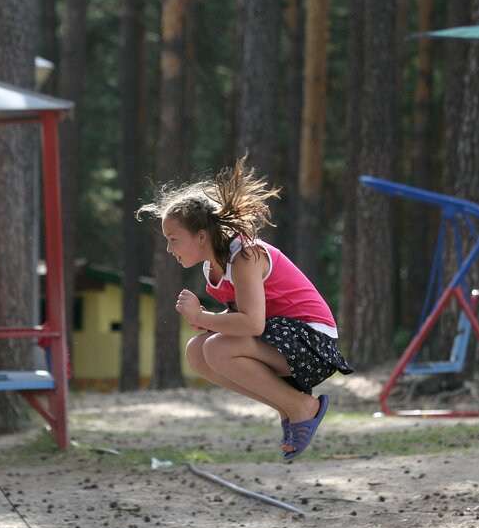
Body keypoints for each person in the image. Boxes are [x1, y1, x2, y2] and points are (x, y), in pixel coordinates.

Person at [137, 157, 353, 460]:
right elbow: (246, 316)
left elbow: (253, 324)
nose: (170, 249)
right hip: (281, 340)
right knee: (197, 352)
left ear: (200, 236)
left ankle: (303, 407)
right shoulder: (213, 269)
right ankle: (288, 405)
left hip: (313, 343)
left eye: (173, 240)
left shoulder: (245, 255)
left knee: (216, 349)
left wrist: (203, 316)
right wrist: (209, 324)